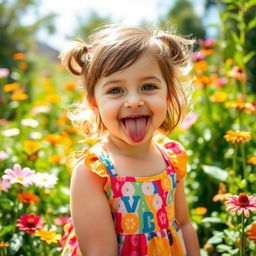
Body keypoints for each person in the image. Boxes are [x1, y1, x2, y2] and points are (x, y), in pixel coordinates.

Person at [59, 24, 200, 256]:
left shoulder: (172, 158)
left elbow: (183, 224)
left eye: (148, 86)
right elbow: (99, 251)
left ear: (169, 94)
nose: (133, 101)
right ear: (95, 103)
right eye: (115, 90)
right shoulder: (94, 171)